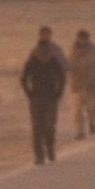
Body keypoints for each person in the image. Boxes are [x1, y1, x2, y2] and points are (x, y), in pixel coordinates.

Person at [20, 26, 66, 165]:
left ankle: (50, 150)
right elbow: (24, 78)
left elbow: (62, 76)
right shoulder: (32, 59)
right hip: (36, 98)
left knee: (49, 127)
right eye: (42, 49)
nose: (43, 52)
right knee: (37, 128)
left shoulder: (53, 59)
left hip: (51, 98)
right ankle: (39, 156)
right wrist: (29, 93)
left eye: (46, 50)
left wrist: (58, 92)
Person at [67, 29, 95, 140]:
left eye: (84, 38)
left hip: (92, 85)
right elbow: (69, 65)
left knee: (92, 107)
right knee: (77, 110)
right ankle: (80, 131)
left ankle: (92, 122)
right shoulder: (73, 51)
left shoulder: (94, 50)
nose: (82, 40)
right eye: (81, 38)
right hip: (77, 85)